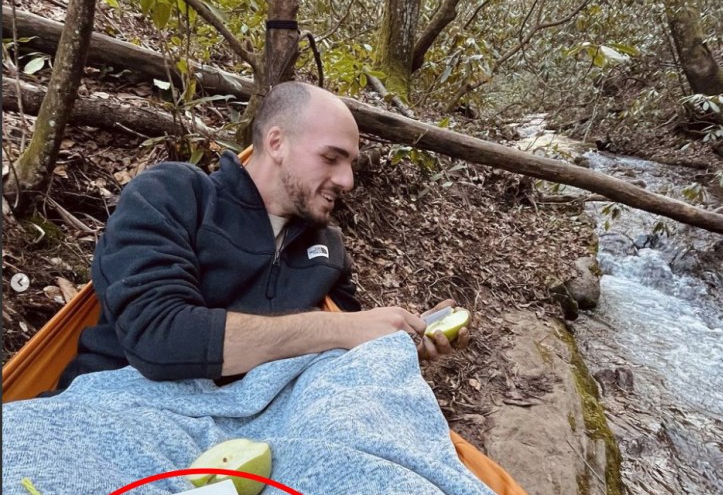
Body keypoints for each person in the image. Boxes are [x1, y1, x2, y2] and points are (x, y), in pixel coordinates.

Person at [56, 81, 468, 390]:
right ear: (276, 143)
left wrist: (392, 344)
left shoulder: (329, 249)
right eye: (331, 158)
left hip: (254, 431)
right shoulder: (173, 194)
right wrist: (341, 329)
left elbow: (334, 361)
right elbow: (158, 337)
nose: (347, 180)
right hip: (117, 402)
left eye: (351, 163)